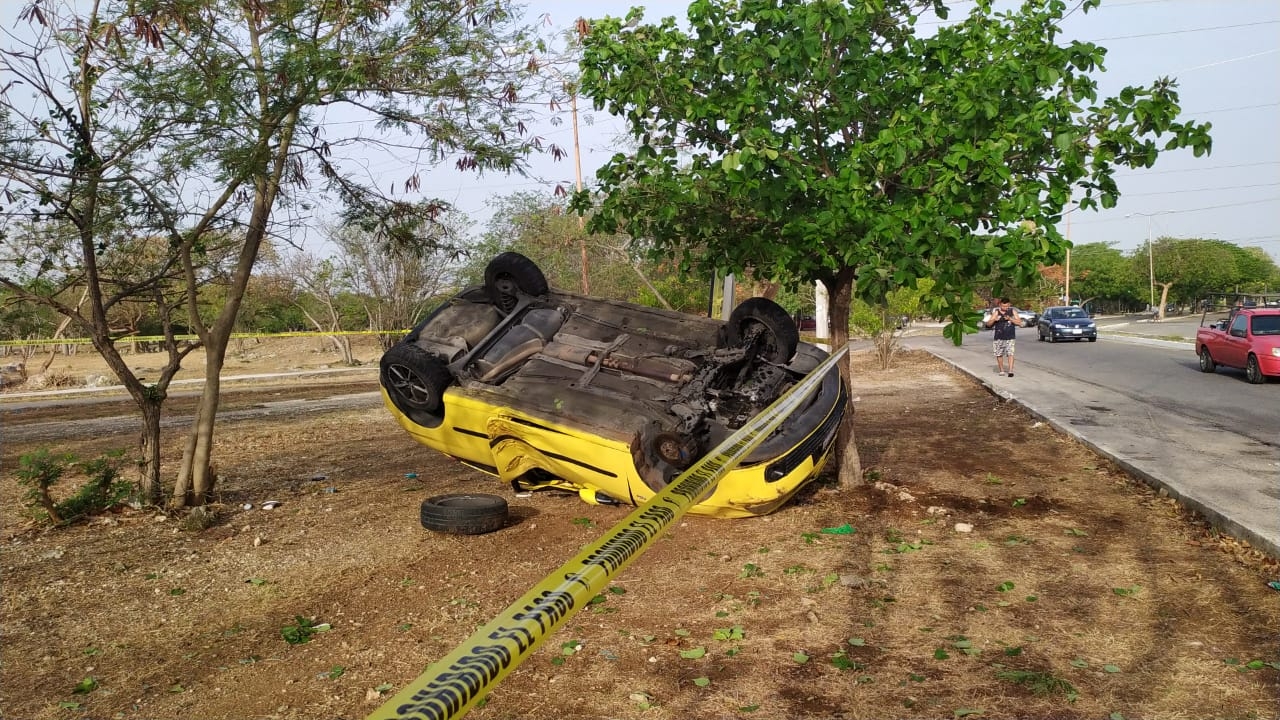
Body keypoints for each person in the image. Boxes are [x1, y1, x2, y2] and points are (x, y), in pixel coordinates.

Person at [983, 298, 1023, 377]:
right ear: (1000, 305)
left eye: (1006, 306)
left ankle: (1010, 370)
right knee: (999, 354)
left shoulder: (1012, 311)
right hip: (999, 336)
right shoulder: (996, 312)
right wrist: (994, 319)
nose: (1005, 308)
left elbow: (1020, 323)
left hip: (1010, 336)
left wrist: (1010, 319)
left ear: (1009, 305)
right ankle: (1001, 370)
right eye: (1003, 306)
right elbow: (988, 324)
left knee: (1010, 353)